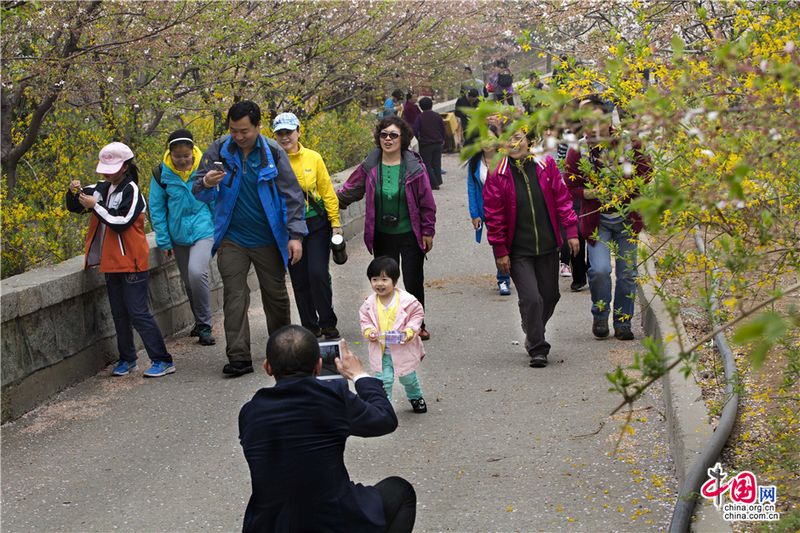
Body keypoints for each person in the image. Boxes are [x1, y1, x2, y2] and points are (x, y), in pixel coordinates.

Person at [239, 325, 416, 533]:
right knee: (400, 491)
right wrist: (359, 375)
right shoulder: (332, 399)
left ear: (268, 367)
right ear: (319, 365)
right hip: (330, 521)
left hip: (270, 524)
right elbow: (385, 418)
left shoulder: (250, 412)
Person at [193, 100, 307, 377]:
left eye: (244, 130)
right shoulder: (219, 149)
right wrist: (207, 182)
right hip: (232, 237)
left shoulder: (273, 152)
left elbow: (292, 195)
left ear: (258, 126)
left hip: (268, 236)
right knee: (234, 296)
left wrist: (295, 236)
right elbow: (198, 189)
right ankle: (239, 357)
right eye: (234, 130)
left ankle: (284, 354)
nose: (239, 136)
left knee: (276, 296)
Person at [66, 142, 175, 378]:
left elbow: (121, 222)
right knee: (119, 312)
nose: (107, 172)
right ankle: (127, 358)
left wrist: (96, 207)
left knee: (138, 312)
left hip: (132, 261)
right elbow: (75, 206)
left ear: (125, 167)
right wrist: (74, 192)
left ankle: (162, 360)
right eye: (104, 167)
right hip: (111, 262)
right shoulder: (101, 188)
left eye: (112, 167)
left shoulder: (132, 190)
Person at [483, 128, 579, 368]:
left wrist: (571, 232)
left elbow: (563, 199)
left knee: (551, 296)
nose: (514, 143)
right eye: (508, 139)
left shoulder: (545, 165)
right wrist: (500, 251)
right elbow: (493, 215)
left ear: (528, 140)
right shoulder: (498, 173)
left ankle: (532, 325)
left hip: (547, 245)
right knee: (532, 299)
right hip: (518, 250)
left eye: (518, 137)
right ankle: (537, 347)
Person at [337, 116, 436, 340]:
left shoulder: (414, 166)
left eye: (393, 135)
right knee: (384, 280)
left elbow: (427, 202)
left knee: (412, 281)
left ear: (403, 139)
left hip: (410, 232)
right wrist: (330, 203)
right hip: (382, 233)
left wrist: (427, 230)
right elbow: (352, 189)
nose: (388, 139)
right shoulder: (371, 164)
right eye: (384, 135)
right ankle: (388, 323)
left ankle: (417, 325)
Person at [564, 95, 652, 341]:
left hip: (626, 217)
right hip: (597, 219)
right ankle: (600, 312)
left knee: (627, 273)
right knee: (600, 270)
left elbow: (646, 172)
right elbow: (570, 183)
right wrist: (591, 193)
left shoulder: (627, 142)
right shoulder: (579, 148)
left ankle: (623, 321)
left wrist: (628, 187)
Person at [272, 112, 341, 340]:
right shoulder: (271, 162)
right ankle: (310, 326)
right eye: (280, 133)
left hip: (316, 223)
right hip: (289, 228)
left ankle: (328, 321)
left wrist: (336, 223)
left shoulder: (313, 157)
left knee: (318, 273)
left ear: (298, 132)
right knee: (300, 280)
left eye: (289, 132)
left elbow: (327, 191)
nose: (285, 137)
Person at [149, 129, 216, 346]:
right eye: (178, 157)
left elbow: (216, 199)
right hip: (178, 235)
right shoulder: (161, 174)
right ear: (170, 154)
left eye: (186, 156)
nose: (183, 161)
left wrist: (221, 230)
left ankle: (205, 325)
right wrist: (164, 240)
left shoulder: (205, 168)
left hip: (203, 230)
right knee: (188, 281)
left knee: (197, 273)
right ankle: (199, 321)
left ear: (193, 152)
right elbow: (157, 209)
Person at [360, 257, 427, 413]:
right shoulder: (369, 304)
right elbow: (365, 320)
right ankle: (385, 407)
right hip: (381, 349)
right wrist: (369, 331)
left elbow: (417, 315)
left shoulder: (408, 301)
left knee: (408, 377)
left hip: (402, 348)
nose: (379, 284)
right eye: (375, 279)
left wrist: (409, 330)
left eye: (384, 279)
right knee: (384, 380)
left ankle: (415, 396)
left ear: (394, 281)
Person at [466, 123, 511, 296]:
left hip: (509, 207)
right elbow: (471, 187)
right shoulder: (475, 161)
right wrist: (474, 214)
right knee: (497, 242)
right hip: (488, 211)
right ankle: (503, 279)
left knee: (512, 241)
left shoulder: (506, 159)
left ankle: (515, 272)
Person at [413, 97, 445, 190]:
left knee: (427, 164)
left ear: (421, 107)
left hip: (426, 144)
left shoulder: (420, 117)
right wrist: (442, 139)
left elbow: (415, 129)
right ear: (431, 105)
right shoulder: (437, 116)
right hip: (438, 143)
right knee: (437, 163)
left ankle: (434, 183)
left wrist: (417, 139)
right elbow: (443, 128)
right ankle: (438, 181)